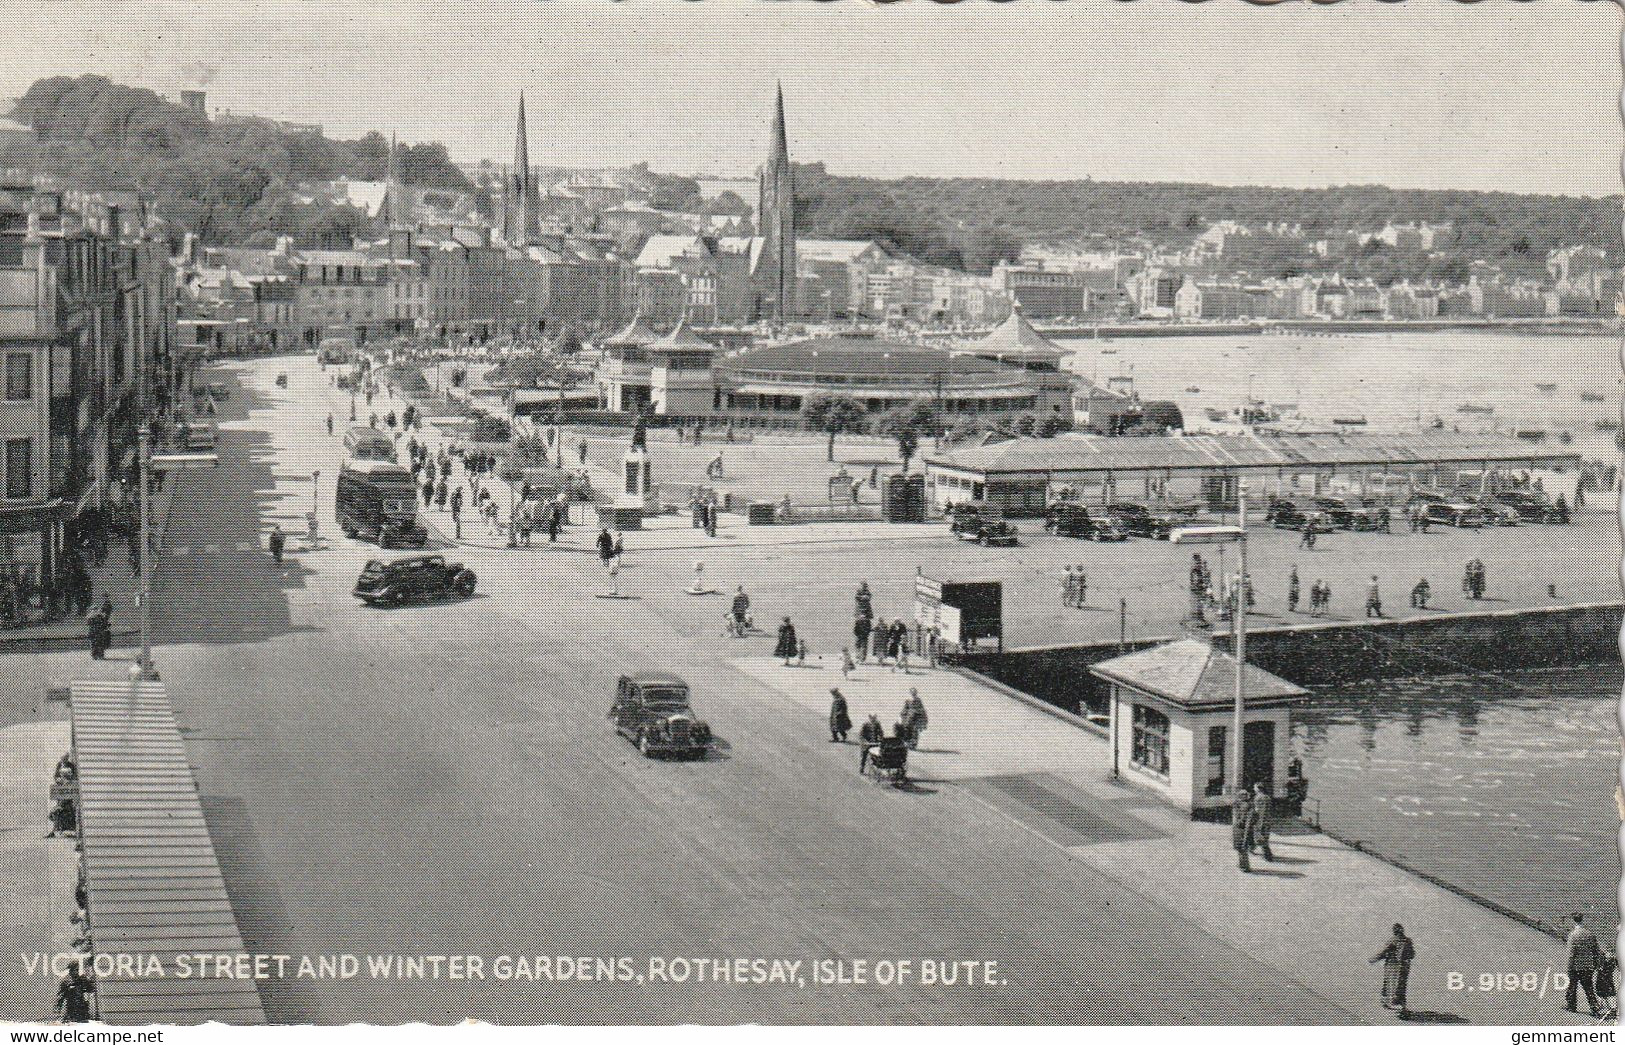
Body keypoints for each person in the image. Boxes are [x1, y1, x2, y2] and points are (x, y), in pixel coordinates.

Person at [1371, 924, 1416, 1017]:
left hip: (1392, 966)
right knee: (1402, 985)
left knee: (1388, 983)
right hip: (1404, 966)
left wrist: (1374, 959)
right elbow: (1412, 954)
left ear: (1394, 931)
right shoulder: (1408, 941)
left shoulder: (1393, 940)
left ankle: (1386, 1001)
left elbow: (1384, 952)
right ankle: (1403, 1006)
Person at [1566, 913, 1604, 1016]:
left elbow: (1571, 953)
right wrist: (1596, 964)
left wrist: (1569, 966)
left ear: (1573, 921)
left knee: (1572, 986)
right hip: (1588, 966)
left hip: (1576, 966)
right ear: (1582, 920)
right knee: (1589, 987)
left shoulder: (1573, 935)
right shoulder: (1589, 934)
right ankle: (1594, 1007)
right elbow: (1596, 950)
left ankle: (1571, 1005)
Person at [1249, 782, 1274, 861]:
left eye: (1255, 787)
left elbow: (1257, 810)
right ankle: (1251, 849)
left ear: (1258, 788)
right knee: (1263, 837)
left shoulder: (1258, 798)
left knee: (1259, 837)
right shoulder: (1267, 797)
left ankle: (1268, 855)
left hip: (1260, 820)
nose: (1254, 789)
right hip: (1267, 820)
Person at [1232, 789, 1253, 872]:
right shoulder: (1247, 804)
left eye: (1245, 795)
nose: (1244, 796)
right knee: (1241, 847)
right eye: (1242, 795)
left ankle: (1245, 866)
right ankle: (1242, 864)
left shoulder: (1246, 804)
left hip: (1241, 828)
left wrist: (1238, 822)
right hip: (1240, 828)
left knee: (1242, 847)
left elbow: (1241, 817)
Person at [1595, 945, 1618, 1021]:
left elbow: (1599, 967)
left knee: (1608, 994)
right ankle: (1603, 1008)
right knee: (1603, 994)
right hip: (1603, 979)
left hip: (1605, 979)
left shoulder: (1609, 960)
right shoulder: (1609, 959)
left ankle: (1612, 1009)